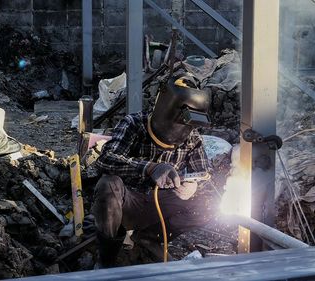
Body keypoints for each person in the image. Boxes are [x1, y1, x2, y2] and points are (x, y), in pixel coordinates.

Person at [92, 74, 220, 268]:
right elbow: (105, 160)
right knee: (108, 185)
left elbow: (205, 173)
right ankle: (107, 258)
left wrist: (193, 185)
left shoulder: (192, 137)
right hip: (127, 203)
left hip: (161, 206)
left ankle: (148, 237)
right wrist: (150, 168)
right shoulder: (133, 124)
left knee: (210, 202)